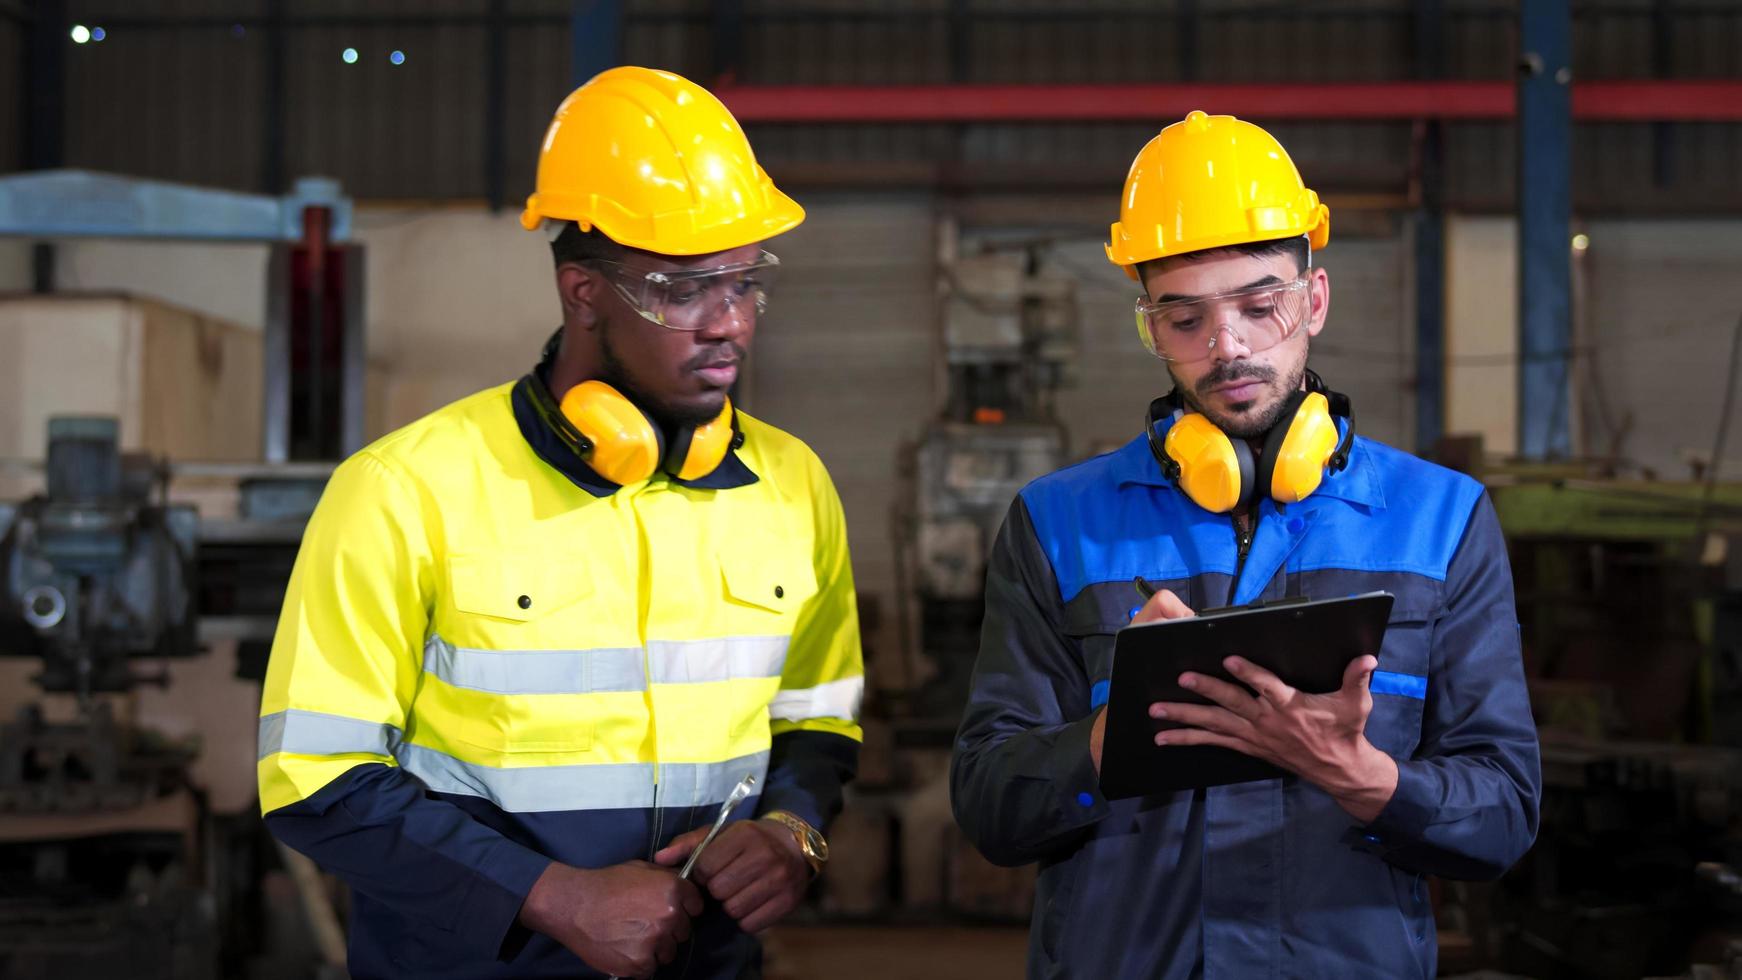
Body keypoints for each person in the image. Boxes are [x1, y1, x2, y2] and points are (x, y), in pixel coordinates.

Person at [257, 66, 863, 980]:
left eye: (743, 285)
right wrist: (549, 895)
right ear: (582, 293)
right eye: (685, 289)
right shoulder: (404, 488)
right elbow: (311, 777)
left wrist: (792, 830)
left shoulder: (790, 482)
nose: (729, 325)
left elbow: (821, 716)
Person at [950, 110, 1540, 978]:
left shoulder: (1442, 520)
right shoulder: (1057, 522)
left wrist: (1364, 779)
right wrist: (1108, 740)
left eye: (1260, 306)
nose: (1227, 347)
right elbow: (990, 809)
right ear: (1148, 326)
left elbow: (1504, 817)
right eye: (1184, 319)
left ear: (1315, 302)